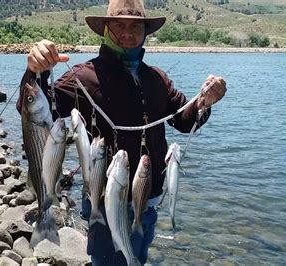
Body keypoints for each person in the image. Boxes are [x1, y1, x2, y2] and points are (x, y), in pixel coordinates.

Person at [17, 0, 227, 264]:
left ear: (145, 33)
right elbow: (36, 110)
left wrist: (205, 102)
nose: (127, 33)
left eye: (135, 27)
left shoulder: (157, 79)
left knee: (136, 258)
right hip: (103, 203)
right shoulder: (83, 77)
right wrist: (35, 72)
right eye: (119, 25)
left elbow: (184, 120)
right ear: (105, 29)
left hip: (146, 201)